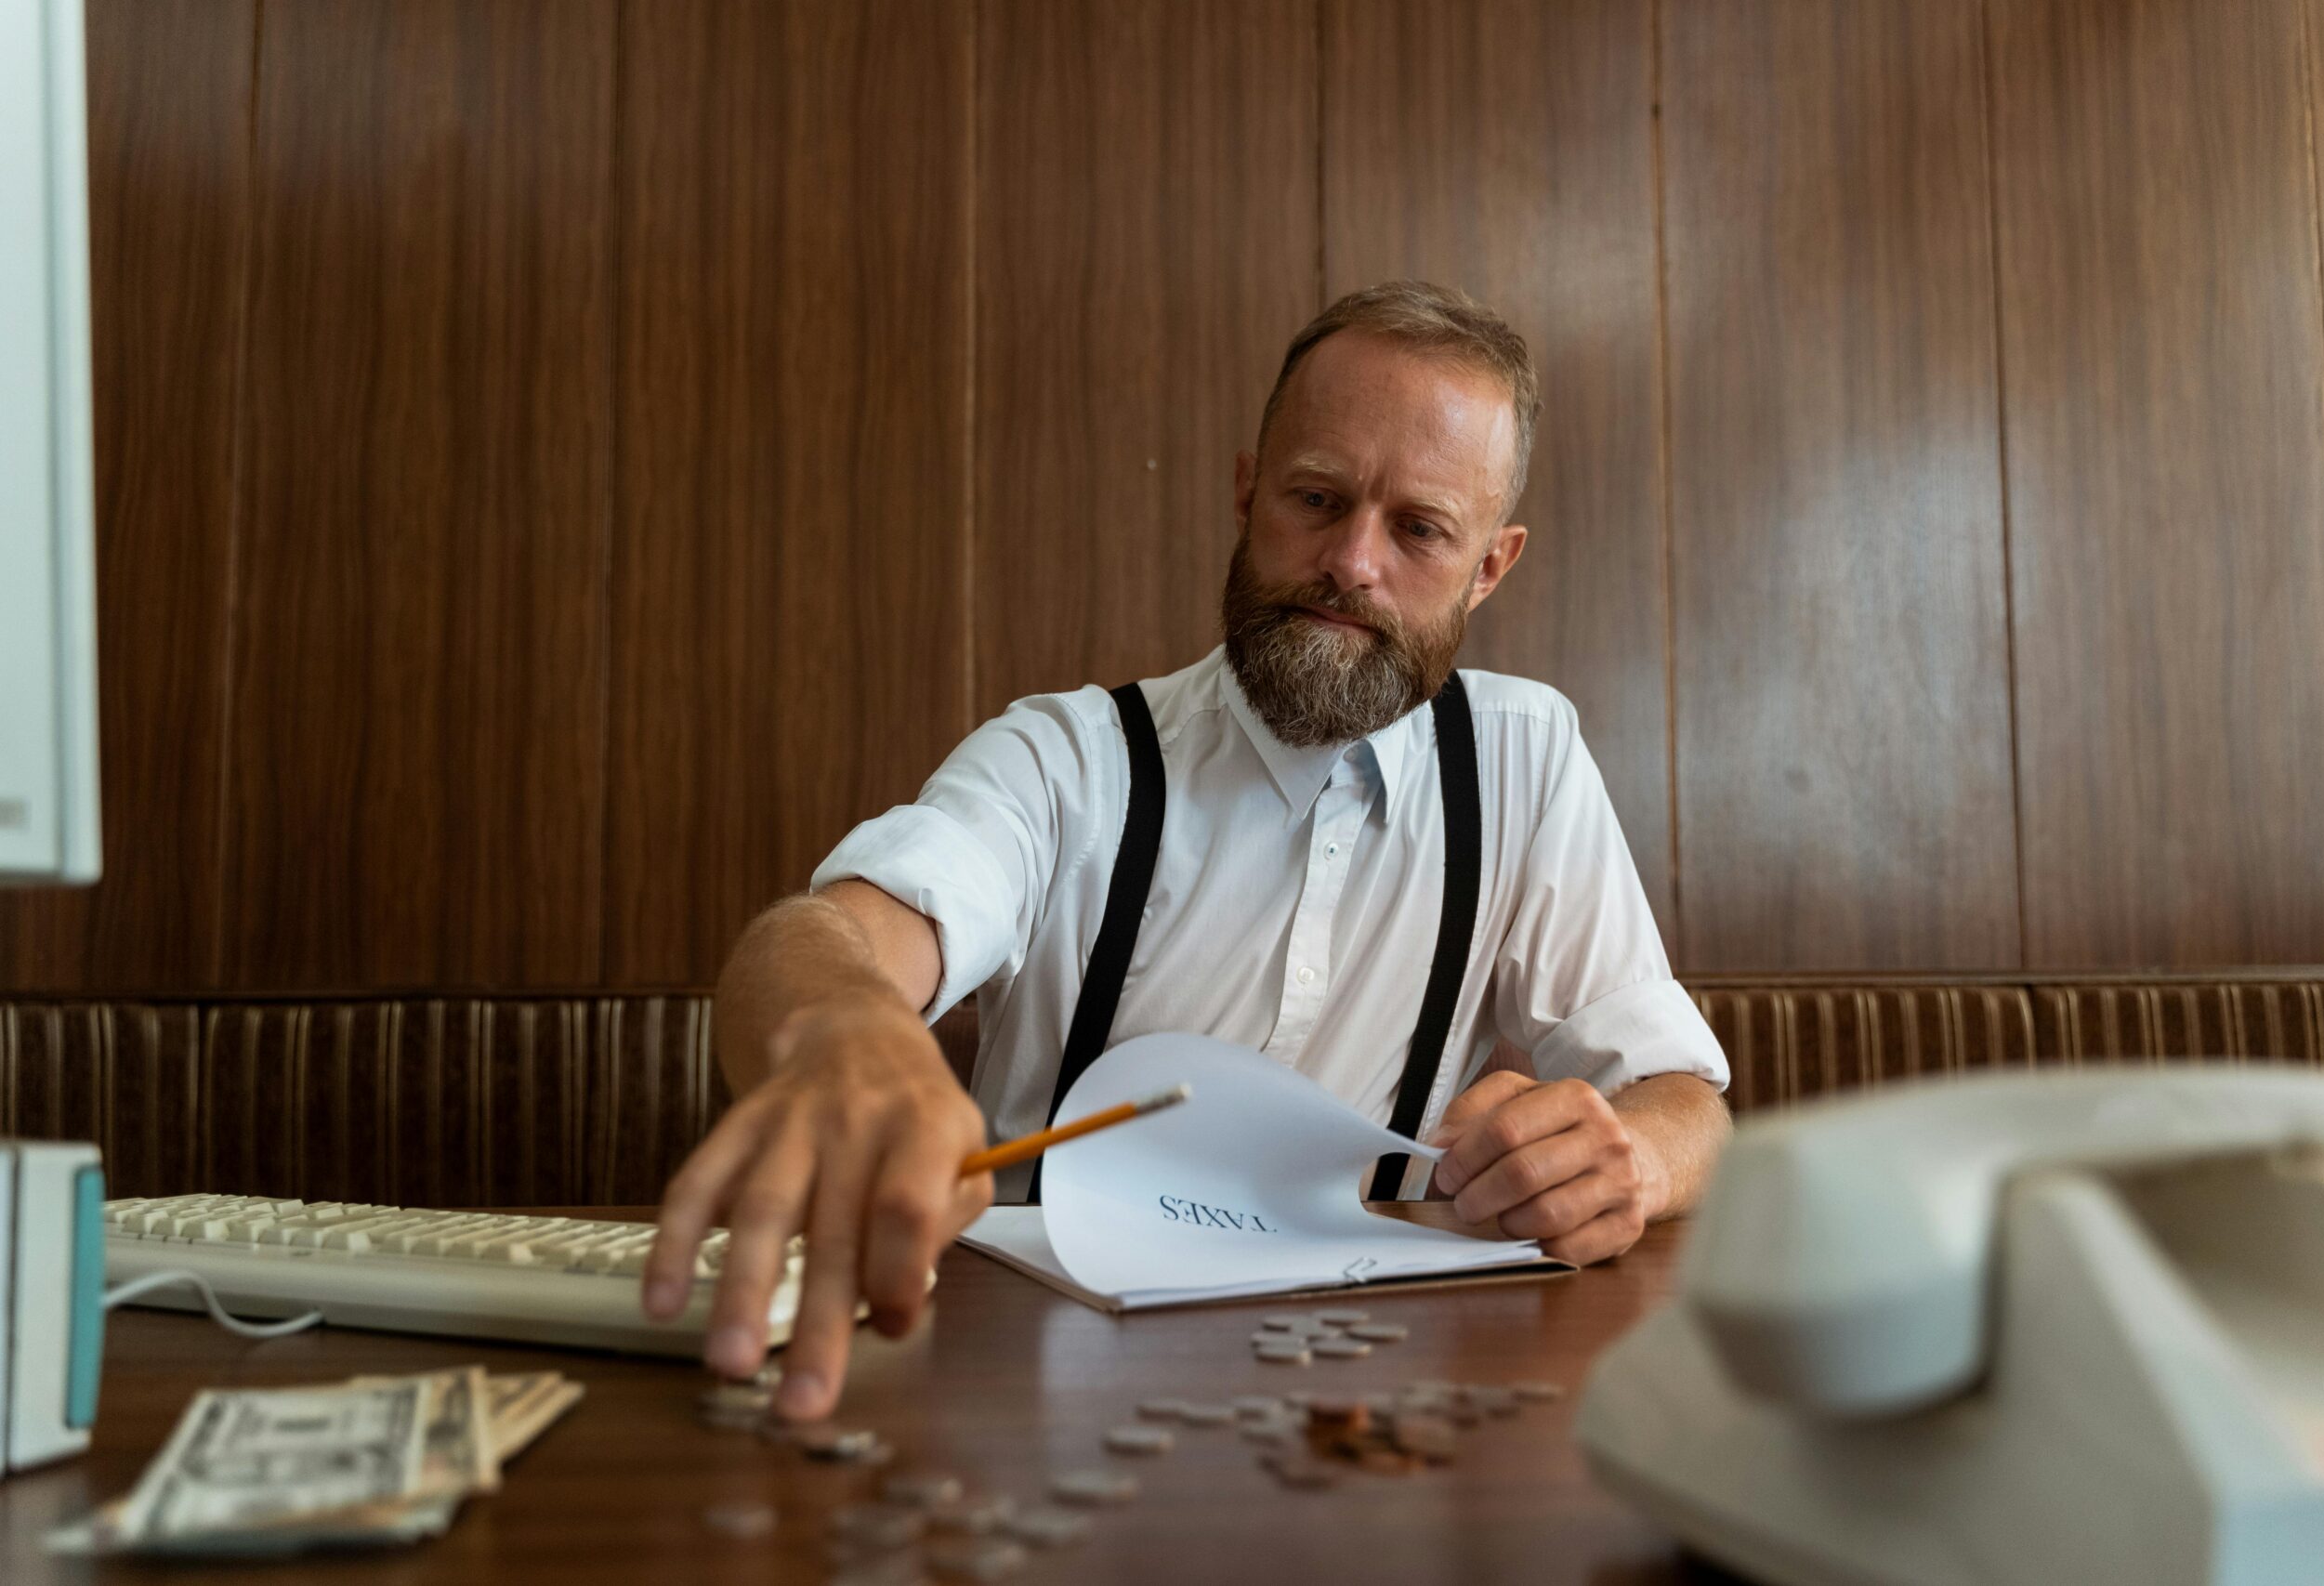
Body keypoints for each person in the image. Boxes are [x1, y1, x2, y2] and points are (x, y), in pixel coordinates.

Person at [642, 282, 1734, 1422]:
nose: (1352, 563)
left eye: (1418, 528)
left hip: (1366, 1401)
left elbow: (1684, 1098)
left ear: (1489, 567)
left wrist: (1633, 1161)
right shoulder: (1067, 758)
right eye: (1316, 498)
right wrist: (842, 1025)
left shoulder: (1527, 758)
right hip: (1021, 1383)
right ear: (1245, 491)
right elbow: (825, 939)